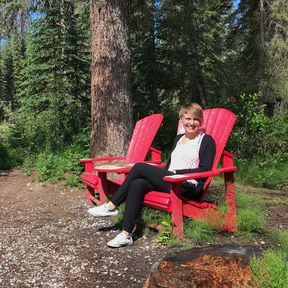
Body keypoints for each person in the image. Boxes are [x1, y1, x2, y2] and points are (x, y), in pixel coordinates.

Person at [88, 103, 216, 248]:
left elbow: (205, 169)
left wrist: (178, 173)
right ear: (181, 119)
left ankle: (111, 206)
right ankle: (125, 234)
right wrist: (164, 173)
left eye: (196, 119)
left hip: (188, 186)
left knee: (139, 167)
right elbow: (170, 165)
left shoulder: (206, 141)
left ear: (201, 121)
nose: (191, 123)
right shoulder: (179, 139)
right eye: (188, 118)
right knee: (137, 184)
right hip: (170, 180)